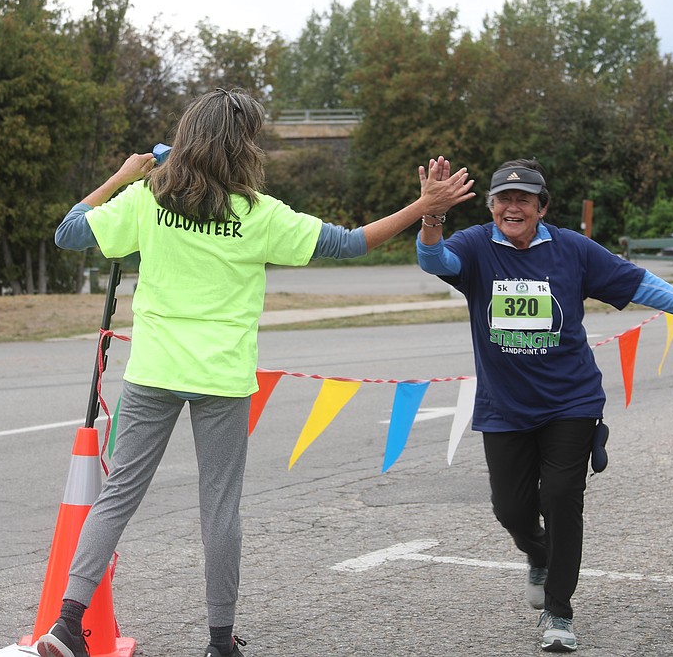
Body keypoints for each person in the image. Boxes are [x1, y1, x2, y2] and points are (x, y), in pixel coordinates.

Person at [34, 88, 474, 657]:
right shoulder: (259, 215)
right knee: (219, 506)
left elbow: (69, 231)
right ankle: (220, 641)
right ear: (244, 148)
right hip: (222, 376)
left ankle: (67, 623)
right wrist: (421, 208)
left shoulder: (147, 198)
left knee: (117, 494)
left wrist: (121, 176)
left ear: (188, 140)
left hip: (154, 368)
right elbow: (348, 244)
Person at [415, 159, 673, 653]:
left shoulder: (572, 250)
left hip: (572, 400)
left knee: (562, 498)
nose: (512, 206)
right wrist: (431, 215)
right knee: (512, 510)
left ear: (542, 207)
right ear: (492, 206)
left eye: (524, 199)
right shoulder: (477, 246)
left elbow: (636, 282)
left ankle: (558, 611)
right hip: (504, 406)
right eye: (503, 198)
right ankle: (537, 552)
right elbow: (435, 261)